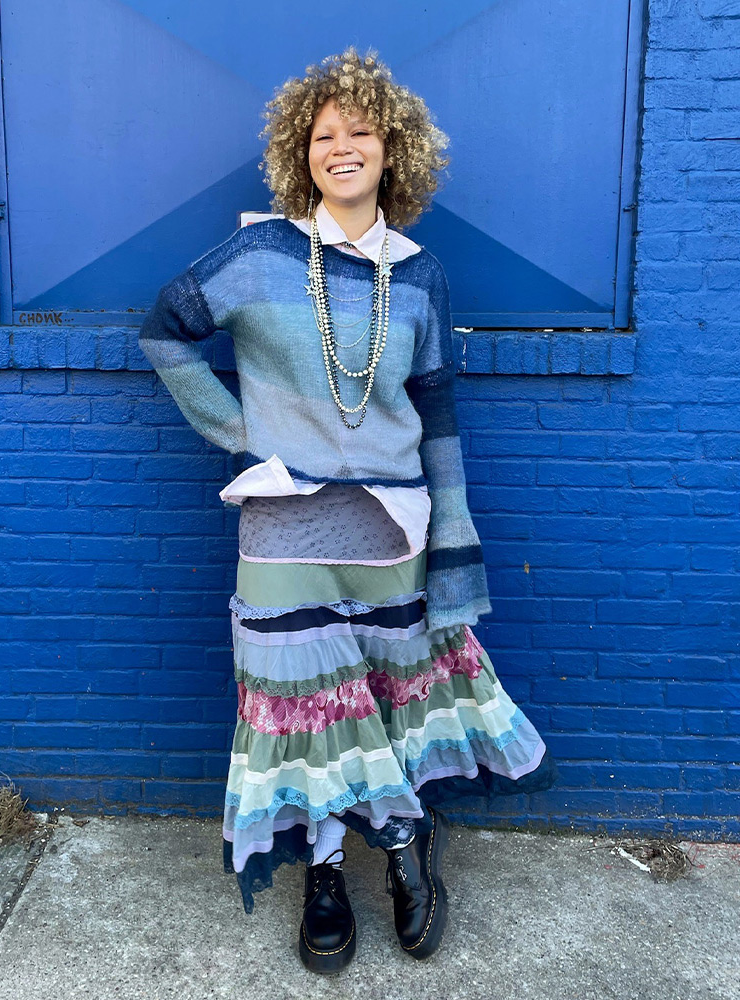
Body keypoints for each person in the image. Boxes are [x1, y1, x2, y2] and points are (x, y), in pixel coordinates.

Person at [138, 46, 559, 974]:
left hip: (392, 527)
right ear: (302, 152)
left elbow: (438, 413)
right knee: (306, 711)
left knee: (385, 703)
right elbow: (166, 329)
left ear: (392, 149)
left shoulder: (419, 274)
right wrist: (241, 436)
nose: (342, 147)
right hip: (283, 522)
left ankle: (407, 854)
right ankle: (324, 871)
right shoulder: (257, 254)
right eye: (324, 134)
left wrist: (453, 532)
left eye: (359, 131)